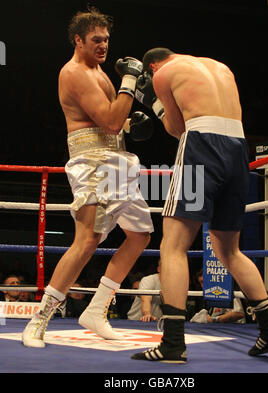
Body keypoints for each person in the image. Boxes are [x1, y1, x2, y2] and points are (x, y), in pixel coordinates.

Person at [131, 48, 268, 362]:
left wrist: (154, 102)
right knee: (229, 250)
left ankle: (173, 343)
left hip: (203, 144)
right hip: (239, 149)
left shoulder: (163, 73)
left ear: (152, 66)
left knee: (172, 246)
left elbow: (178, 129)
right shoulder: (220, 67)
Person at [22, 8, 154, 348]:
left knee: (139, 235)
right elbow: (108, 121)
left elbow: (113, 123)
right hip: (92, 163)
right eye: (96, 40)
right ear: (78, 40)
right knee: (87, 240)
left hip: (118, 161)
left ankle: (97, 310)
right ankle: (39, 321)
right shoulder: (75, 73)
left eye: (107, 39)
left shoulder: (99, 73)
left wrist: (130, 124)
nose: (103, 45)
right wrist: (129, 85)